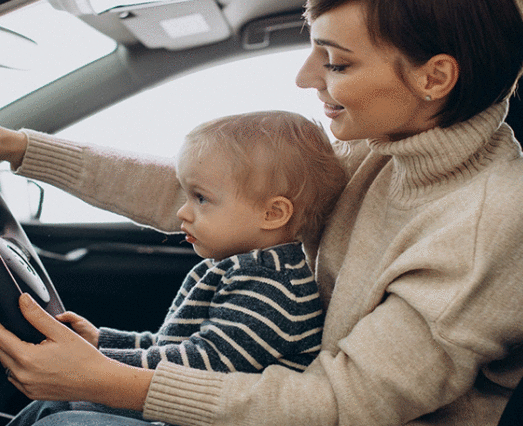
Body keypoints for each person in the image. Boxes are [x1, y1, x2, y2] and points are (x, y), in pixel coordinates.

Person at [0, 0, 523, 426]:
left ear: (434, 78)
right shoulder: (385, 153)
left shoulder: (493, 218)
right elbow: (213, 198)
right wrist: (19, 148)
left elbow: (337, 408)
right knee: (55, 421)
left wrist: (118, 382)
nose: (307, 78)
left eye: (336, 63)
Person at [67, 111, 345, 376]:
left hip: (210, 423)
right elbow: (173, 346)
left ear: (272, 214)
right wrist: (100, 341)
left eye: (200, 198)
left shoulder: (273, 288)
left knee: (63, 411)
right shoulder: (234, 268)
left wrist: (96, 362)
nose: (182, 212)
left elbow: (201, 362)